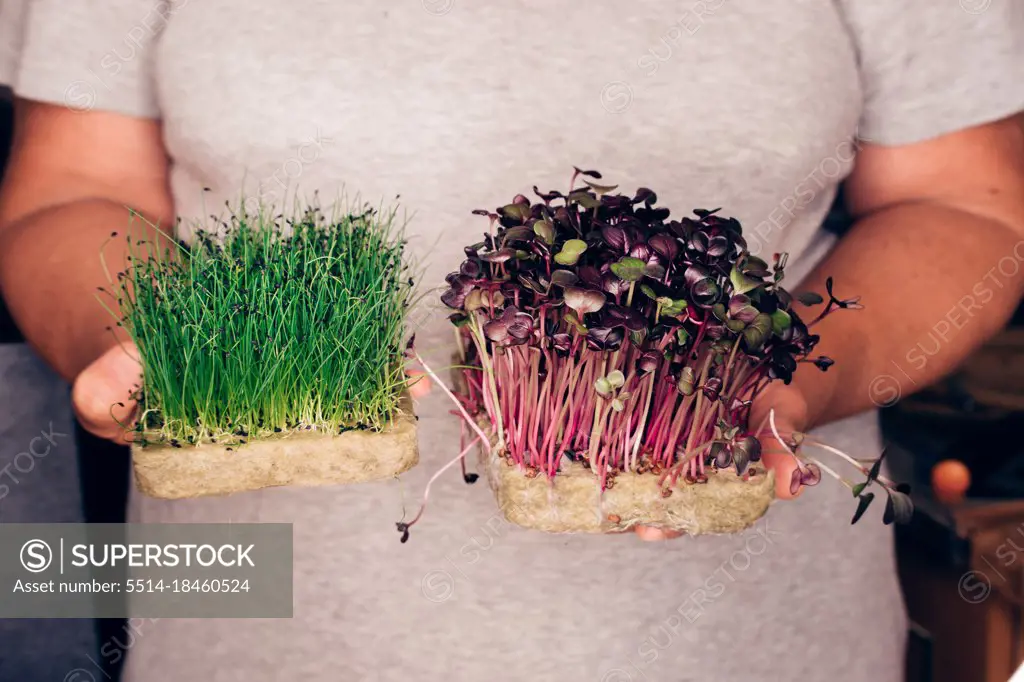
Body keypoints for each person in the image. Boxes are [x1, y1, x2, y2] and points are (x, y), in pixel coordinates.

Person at [1, 1, 1022, 680]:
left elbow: (965, 206)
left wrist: (774, 384)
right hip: (250, 638)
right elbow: (77, 186)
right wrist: (163, 345)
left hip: (748, 647)